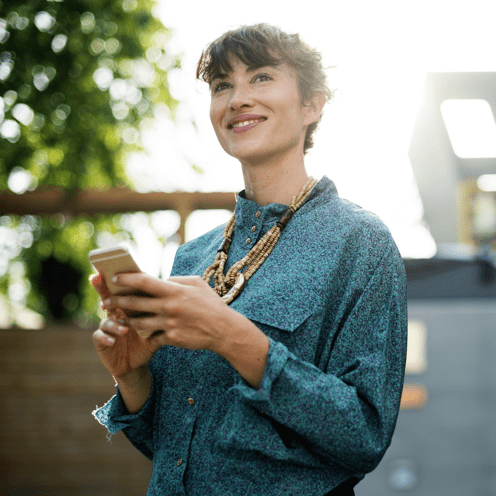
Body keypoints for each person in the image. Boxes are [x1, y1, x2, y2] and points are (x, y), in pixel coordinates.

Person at [91, 23, 408, 496]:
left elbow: (364, 435)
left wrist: (232, 336)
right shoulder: (192, 256)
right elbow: (171, 448)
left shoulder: (361, 244)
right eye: (222, 85)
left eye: (260, 77)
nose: (237, 98)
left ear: (312, 104)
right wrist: (131, 375)